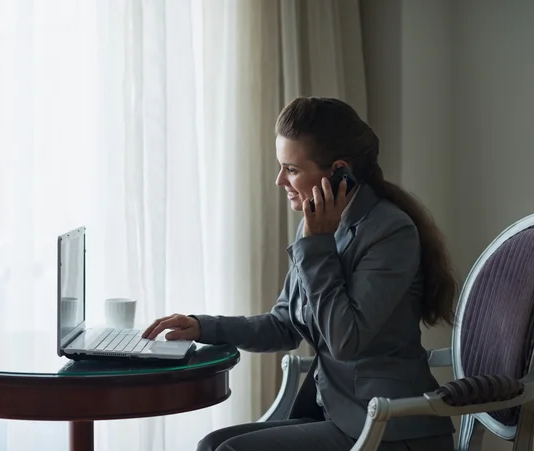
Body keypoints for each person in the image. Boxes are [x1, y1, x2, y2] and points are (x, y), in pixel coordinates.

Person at [143, 97, 457, 451]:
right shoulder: (314, 228)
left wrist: (317, 244)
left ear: (339, 171)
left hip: (392, 427)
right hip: (339, 414)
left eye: (291, 169)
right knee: (211, 444)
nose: (279, 180)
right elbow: (284, 325)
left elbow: (345, 339)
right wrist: (203, 326)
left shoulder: (389, 232)